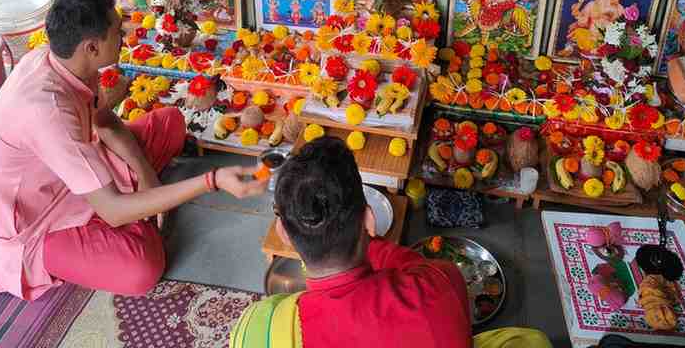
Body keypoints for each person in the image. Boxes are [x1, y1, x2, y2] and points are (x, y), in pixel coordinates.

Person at [0, 0, 266, 301]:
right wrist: (212, 180)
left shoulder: (64, 62)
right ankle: (137, 217)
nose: (124, 37)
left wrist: (146, 175)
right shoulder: (46, 111)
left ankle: (143, 204)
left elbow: (104, 121)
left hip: (74, 173)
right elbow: (111, 208)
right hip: (36, 224)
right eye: (117, 32)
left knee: (170, 123)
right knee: (141, 269)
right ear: (92, 47)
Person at [231, 137, 551, 348]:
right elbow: (424, 268)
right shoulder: (436, 287)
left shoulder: (256, 327)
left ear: (285, 234)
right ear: (369, 220)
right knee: (533, 341)